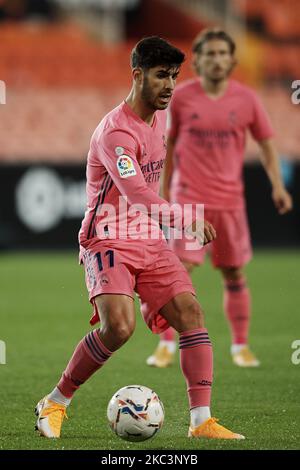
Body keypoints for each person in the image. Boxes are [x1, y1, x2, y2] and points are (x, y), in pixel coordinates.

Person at [35, 36, 244, 440]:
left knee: (190, 313)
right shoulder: (116, 134)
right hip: (107, 238)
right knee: (119, 327)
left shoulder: (160, 117)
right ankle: (56, 400)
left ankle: (201, 422)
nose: (169, 85)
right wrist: (183, 218)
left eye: (174, 76)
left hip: (147, 237)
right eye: (161, 75)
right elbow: (137, 194)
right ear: (137, 75)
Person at [147, 28, 293, 369]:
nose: (216, 59)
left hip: (230, 202)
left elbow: (267, 144)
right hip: (189, 199)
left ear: (233, 61)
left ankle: (240, 345)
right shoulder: (180, 97)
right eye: (209, 54)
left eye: (222, 53)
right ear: (196, 61)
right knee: (180, 270)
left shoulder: (247, 100)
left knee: (233, 273)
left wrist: (277, 186)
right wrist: (163, 193)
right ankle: (166, 344)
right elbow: (165, 147)